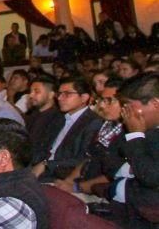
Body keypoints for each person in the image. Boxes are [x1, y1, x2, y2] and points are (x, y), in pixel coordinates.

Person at [109, 72, 159, 227]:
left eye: (128, 106)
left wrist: (136, 135)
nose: (124, 112)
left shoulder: (136, 129)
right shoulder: (143, 128)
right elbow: (109, 160)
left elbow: (150, 176)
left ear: (156, 104)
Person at [33, 77, 103, 182]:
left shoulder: (93, 122)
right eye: (59, 94)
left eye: (67, 94)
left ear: (84, 97)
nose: (60, 98)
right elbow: (43, 147)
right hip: (43, 170)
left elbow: (84, 159)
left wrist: (46, 164)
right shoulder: (59, 118)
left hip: (64, 176)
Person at [26, 75, 65, 166]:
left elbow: (47, 150)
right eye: (30, 92)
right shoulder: (33, 115)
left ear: (51, 94)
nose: (31, 95)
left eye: (37, 92)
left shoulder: (58, 118)